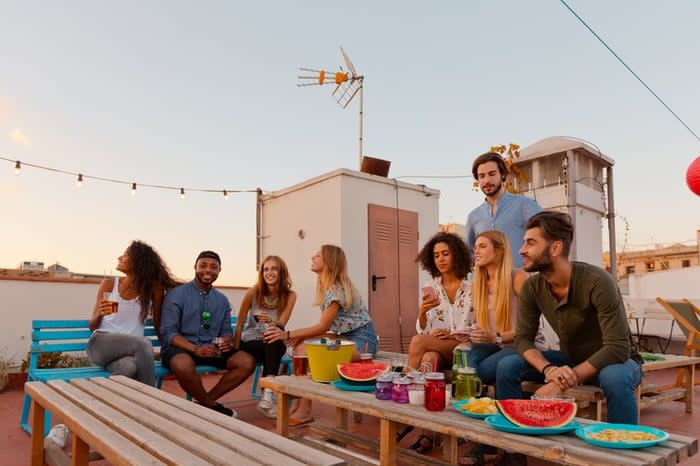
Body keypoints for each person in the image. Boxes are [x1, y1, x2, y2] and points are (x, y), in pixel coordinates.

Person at [496, 211, 642, 464]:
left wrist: (559, 383)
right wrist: (549, 368)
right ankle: (513, 453)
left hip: (618, 361)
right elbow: (523, 339)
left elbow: (618, 347)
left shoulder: (598, 280)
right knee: (508, 364)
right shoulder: (532, 286)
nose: (521, 250)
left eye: (531, 243)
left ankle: (622, 457)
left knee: (615, 378)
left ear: (555, 248)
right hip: (571, 359)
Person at [264, 244, 378, 427]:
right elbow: (325, 329)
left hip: (362, 341)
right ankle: (303, 405)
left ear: (329, 262)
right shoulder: (329, 287)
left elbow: (322, 326)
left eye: (317, 256)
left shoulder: (336, 290)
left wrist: (286, 334)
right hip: (345, 337)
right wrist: (300, 337)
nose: (312, 257)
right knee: (302, 346)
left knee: (309, 351)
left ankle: (303, 409)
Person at [160, 250, 256, 417]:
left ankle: (203, 404)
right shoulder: (177, 294)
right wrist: (195, 349)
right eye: (203, 265)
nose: (208, 270)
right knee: (182, 364)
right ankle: (211, 406)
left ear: (219, 270)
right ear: (195, 267)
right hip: (181, 347)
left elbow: (226, 332)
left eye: (214, 267)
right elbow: (169, 333)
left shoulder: (222, 300)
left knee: (246, 362)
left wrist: (226, 341)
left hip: (212, 347)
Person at [404, 231, 474, 454]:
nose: (441, 259)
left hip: (466, 348)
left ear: (457, 255)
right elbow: (424, 329)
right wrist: (423, 312)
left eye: (446, 253)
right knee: (428, 358)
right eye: (436, 255)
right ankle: (428, 431)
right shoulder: (431, 287)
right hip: (439, 349)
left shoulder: (472, 287)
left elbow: (482, 326)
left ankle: (403, 398)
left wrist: (453, 335)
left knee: (418, 343)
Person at [87, 240, 178, 386]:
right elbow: (92, 326)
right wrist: (99, 314)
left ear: (138, 261)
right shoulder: (109, 284)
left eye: (125, 255)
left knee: (128, 368)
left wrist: (170, 348)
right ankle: (151, 398)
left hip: (129, 353)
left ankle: (104, 402)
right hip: (101, 344)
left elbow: (157, 324)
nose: (119, 258)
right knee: (143, 343)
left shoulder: (153, 289)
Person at [234, 255, 297, 418]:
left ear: (281, 272)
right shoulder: (252, 293)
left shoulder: (290, 296)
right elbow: (240, 324)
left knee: (274, 340)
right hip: (250, 342)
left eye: (274, 269)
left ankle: (267, 396)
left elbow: (282, 324)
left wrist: (272, 321)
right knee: (274, 343)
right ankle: (268, 396)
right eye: (266, 269)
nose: (269, 272)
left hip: (272, 341)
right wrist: (234, 348)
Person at [465, 152, 542, 267]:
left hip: (521, 281)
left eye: (492, 174)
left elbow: (545, 240)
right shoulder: (473, 216)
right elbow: (468, 254)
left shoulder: (526, 205)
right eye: (481, 176)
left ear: (502, 175)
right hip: (487, 283)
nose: (486, 180)